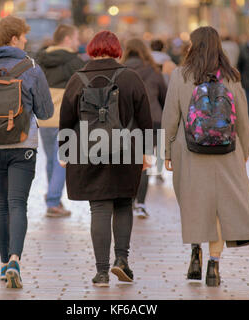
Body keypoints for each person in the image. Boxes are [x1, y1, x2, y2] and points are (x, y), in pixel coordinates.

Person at [162, 26, 249, 287]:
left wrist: (166, 153)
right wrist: (245, 150)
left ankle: (195, 252)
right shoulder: (231, 76)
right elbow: (242, 118)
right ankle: (213, 266)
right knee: (220, 209)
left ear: (193, 46)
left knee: (195, 204)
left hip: (190, 150)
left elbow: (170, 119)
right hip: (226, 150)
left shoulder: (180, 75)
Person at [59, 31, 153, 287]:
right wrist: (147, 152)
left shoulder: (77, 80)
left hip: (87, 151)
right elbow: (145, 118)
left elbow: (66, 119)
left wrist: (64, 151)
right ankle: (121, 261)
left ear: (91, 50)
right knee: (123, 204)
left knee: (99, 208)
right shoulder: (131, 77)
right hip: (126, 151)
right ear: (117, 50)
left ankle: (101, 273)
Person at [0, 15, 54, 288]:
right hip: (23, 145)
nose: (26, 40)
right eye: (24, 35)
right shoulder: (31, 68)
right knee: (18, 204)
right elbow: (47, 111)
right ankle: (16, 258)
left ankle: (4, 265)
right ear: (15, 38)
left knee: (0, 204)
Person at [36, 24, 85, 217]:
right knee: (62, 161)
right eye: (76, 38)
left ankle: (53, 197)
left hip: (44, 118)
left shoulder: (41, 59)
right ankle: (53, 201)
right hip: (64, 118)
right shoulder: (74, 62)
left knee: (51, 160)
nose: (78, 42)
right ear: (67, 39)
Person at [121, 38, 167, 218]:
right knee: (143, 164)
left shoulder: (121, 70)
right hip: (151, 121)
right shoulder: (153, 70)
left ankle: (129, 200)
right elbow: (164, 95)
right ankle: (140, 203)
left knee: (126, 162)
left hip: (127, 122)